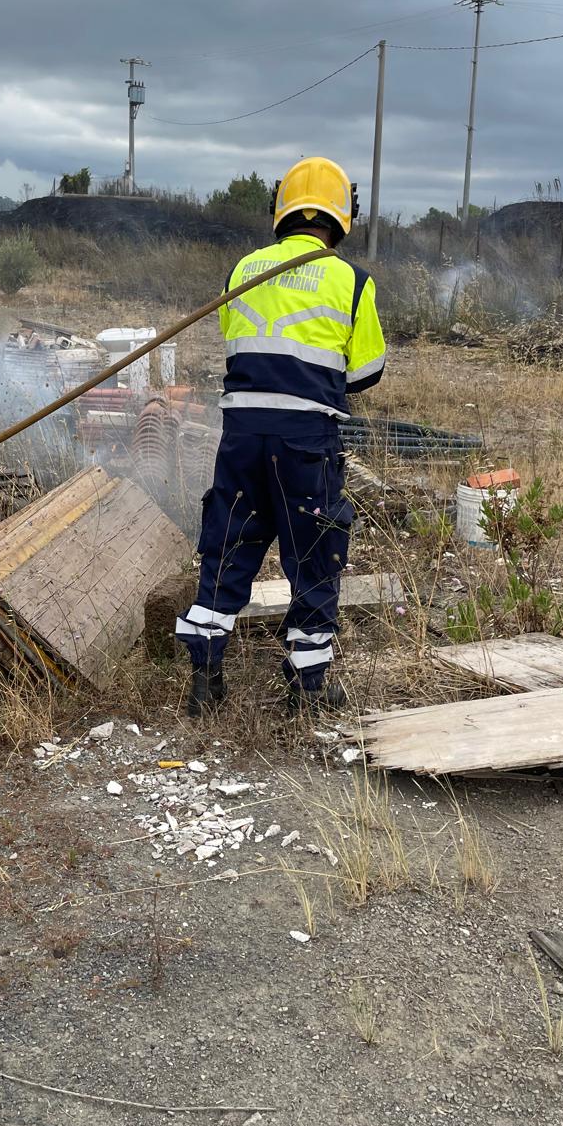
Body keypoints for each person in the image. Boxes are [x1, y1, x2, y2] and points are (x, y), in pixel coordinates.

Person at [175, 156, 386, 715]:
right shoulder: (353, 281)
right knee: (314, 550)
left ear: (280, 207)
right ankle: (308, 687)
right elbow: (366, 373)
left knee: (228, 546)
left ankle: (205, 677)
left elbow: (234, 340)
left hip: (241, 435)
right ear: (345, 215)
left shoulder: (243, 270)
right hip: (306, 441)